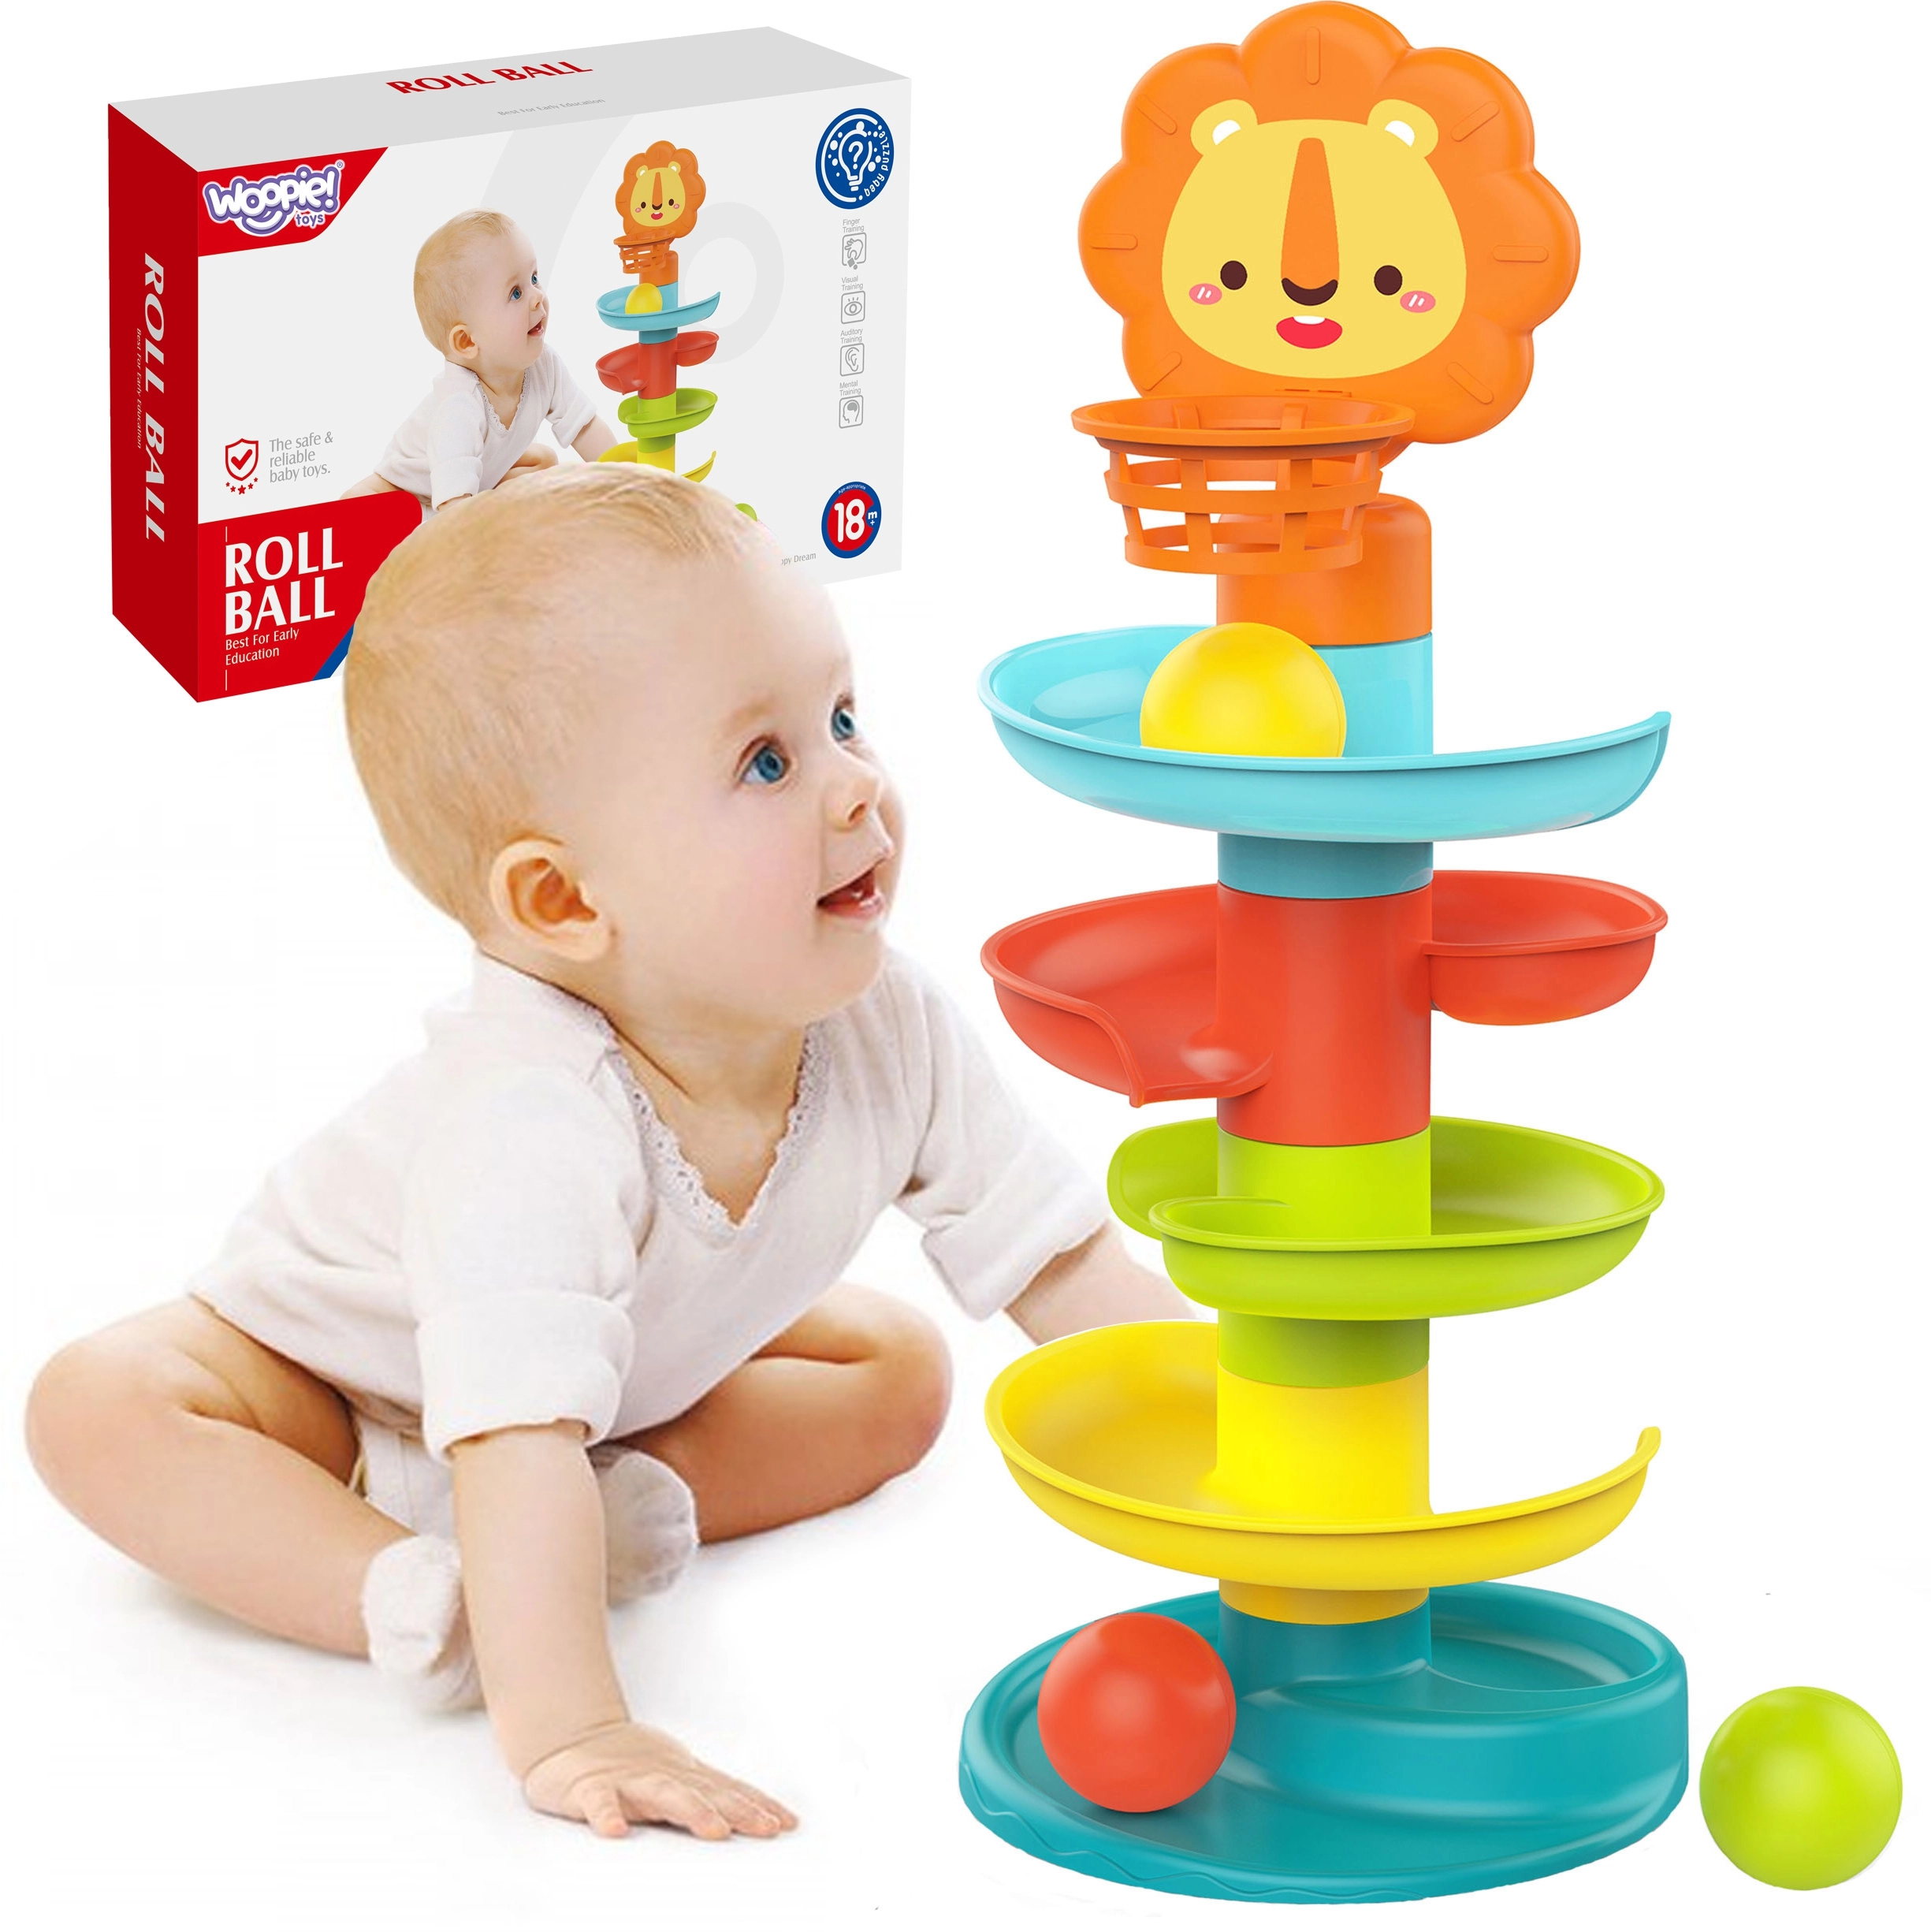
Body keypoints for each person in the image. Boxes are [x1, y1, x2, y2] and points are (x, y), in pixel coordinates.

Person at [27, 466, 1188, 1841]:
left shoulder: (892, 1024)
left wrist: (1245, 1429)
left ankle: (578, 1518)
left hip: (595, 1381)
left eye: (840, 716)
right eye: (766, 762)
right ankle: (421, 1590)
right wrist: (573, 1722)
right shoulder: (528, 1115)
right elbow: (510, 1424)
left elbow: (1059, 1261)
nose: (856, 784)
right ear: (563, 898)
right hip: (330, 1380)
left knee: (898, 1368)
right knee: (96, 1404)